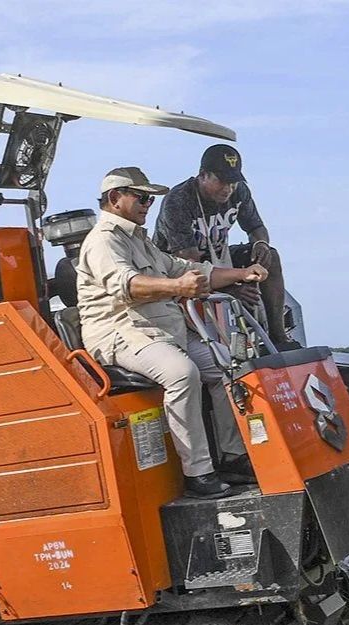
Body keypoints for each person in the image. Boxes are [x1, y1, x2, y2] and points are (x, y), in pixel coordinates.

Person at [78, 167, 268, 498]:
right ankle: (198, 473)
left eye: (150, 199)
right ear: (114, 198)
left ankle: (233, 457)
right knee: (182, 374)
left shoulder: (139, 239)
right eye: (141, 197)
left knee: (229, 364)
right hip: (122, 333)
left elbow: (190, 270)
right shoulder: (103, 241)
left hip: (159, 332)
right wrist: (178, 286)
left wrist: (242, 272)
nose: (148, 204)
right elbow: (127, 285)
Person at [153, 144, 300, 350]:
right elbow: (189, 262)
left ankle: (278, 336)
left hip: (217, 258)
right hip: (176, 268)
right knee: (208, 281)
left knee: (271, 257)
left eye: (233, 182)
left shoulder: (238, 191)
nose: (228, 189)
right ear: (203, 175)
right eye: (222, 181)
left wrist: (260, 245)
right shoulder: (178, 201)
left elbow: (256, 227)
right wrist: (232, 288)